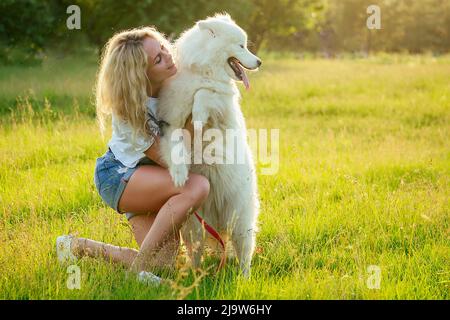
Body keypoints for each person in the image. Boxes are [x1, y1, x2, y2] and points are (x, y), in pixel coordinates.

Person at [55, 26, 210, 285]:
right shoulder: (130, 110)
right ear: (141, 75)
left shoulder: (172, 83)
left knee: (165, 264)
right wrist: (194, 118)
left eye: (163, 47)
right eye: (158, 59)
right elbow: (174, 162)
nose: (168, 56)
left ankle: (77, 246)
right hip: (120, 176)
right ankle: (137, 271)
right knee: (196, 186)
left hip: (152, 178)